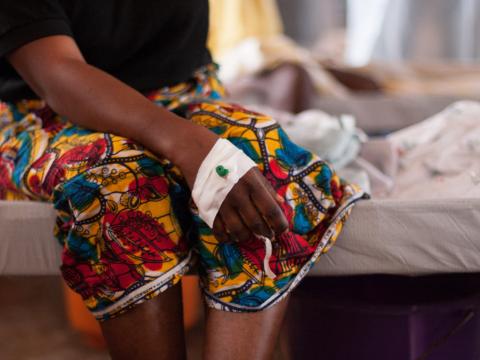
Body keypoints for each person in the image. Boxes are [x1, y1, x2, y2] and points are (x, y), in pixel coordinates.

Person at [0, 1, 364, 359]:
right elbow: (57, 72)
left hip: (183, 94)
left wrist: (208, 151)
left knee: (257, 159)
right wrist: (190, 147)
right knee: (121, 182)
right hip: (44, 112)